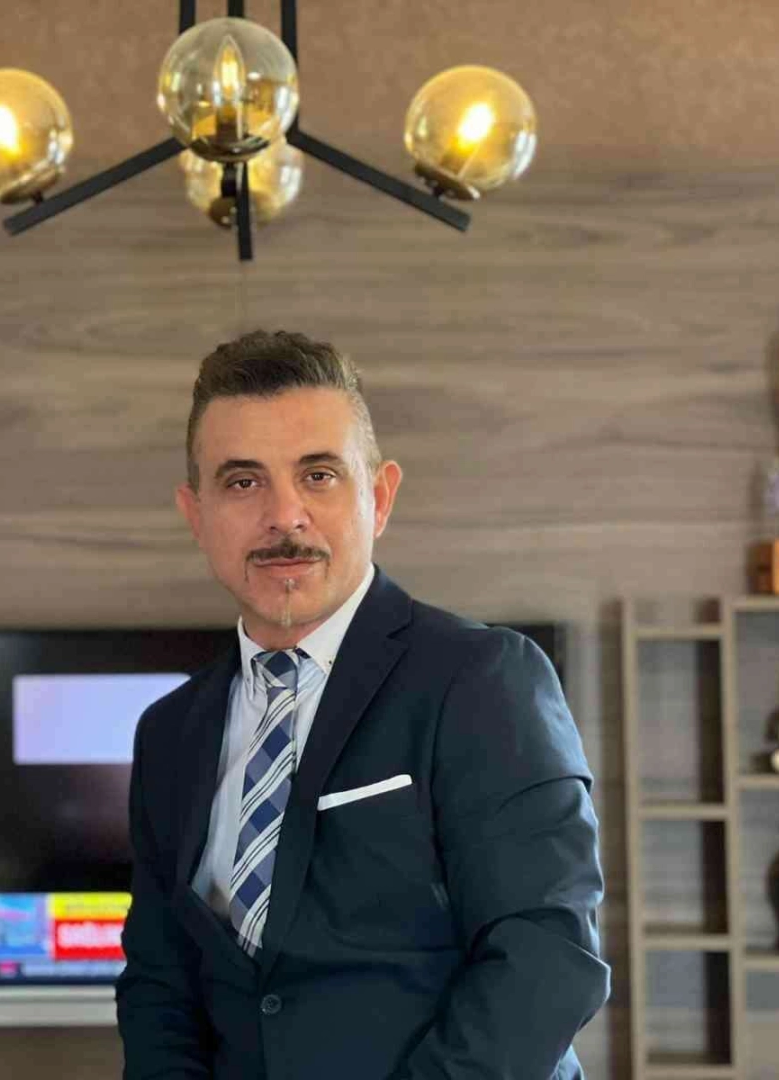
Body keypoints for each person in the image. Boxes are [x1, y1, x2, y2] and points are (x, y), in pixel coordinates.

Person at [116, 330, 609, 1079]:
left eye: (318, 475)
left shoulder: (483, 680)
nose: (285, 515)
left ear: (378, 498)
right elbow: (161, 987)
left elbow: (546, 957)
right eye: (243, 482)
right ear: (196, 513)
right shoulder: (168, 734)